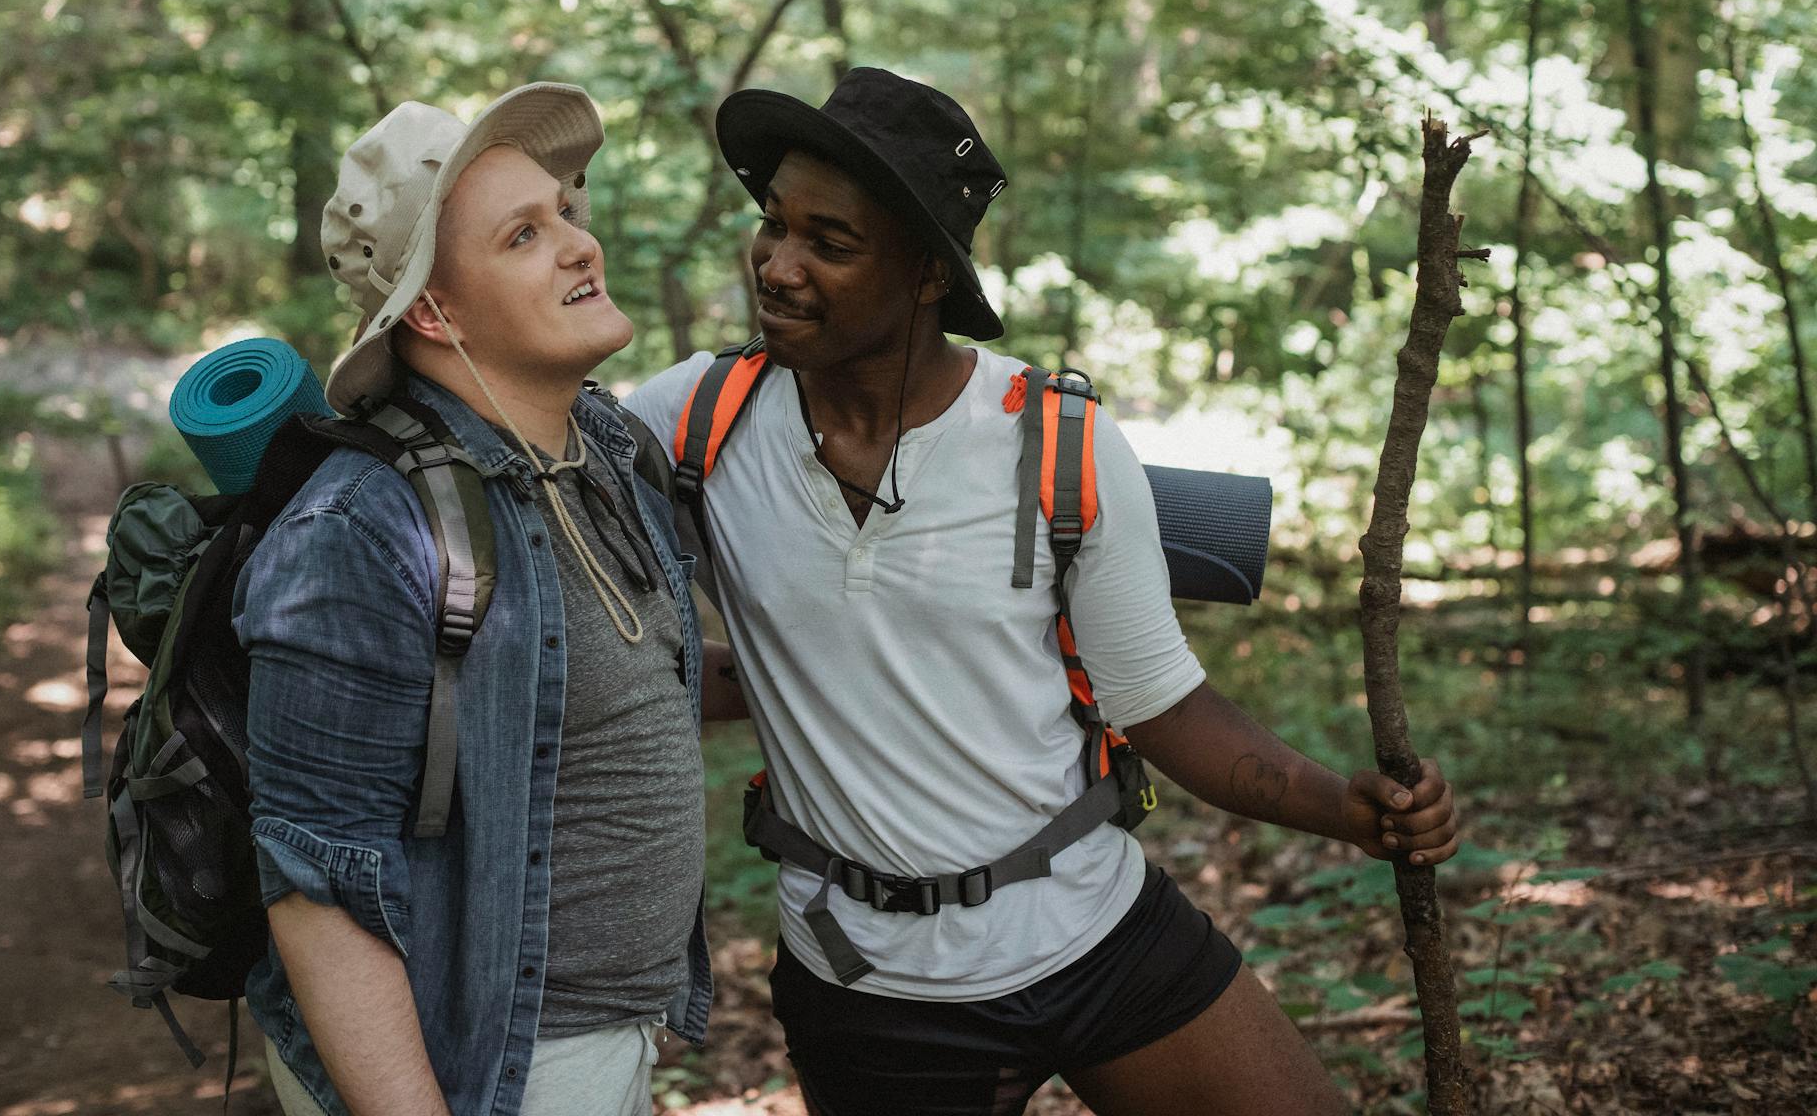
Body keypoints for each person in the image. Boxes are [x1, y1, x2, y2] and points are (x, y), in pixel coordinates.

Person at [624, 67, 1461, 1116]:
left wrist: (1349, 808)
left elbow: (1159, 704)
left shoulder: (1053, 441)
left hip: (1098, 931)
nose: (778, 266)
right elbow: (551, 557)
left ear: (929, 272)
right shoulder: (692, 422)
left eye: (829, 243)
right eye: (771, 225)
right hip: (872, 987)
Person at [235, 83, 722, 1116]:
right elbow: (318, 888)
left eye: (566, 215)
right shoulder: (362, 530)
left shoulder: (608, 453)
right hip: (483, 1060)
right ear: (433, 308)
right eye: (524, 234)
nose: (580, 245)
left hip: (603, 1042)